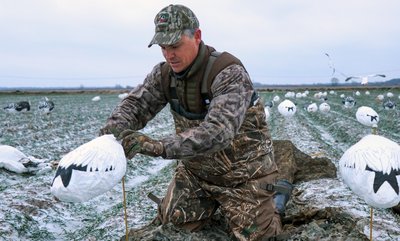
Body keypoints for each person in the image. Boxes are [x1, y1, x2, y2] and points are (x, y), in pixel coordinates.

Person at [100, 4, 292, 241]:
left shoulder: (228, 71)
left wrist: (159, 146)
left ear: (197, 36)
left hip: (244, 177)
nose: (169, 54)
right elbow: (135, 106)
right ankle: (210, 206)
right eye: (163, 47)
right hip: (196, 175)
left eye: (175, 46)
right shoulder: (163, 75)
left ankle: (277, 200)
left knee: (258, 237)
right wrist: (108, 137)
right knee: (170, 228)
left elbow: (218, 132)